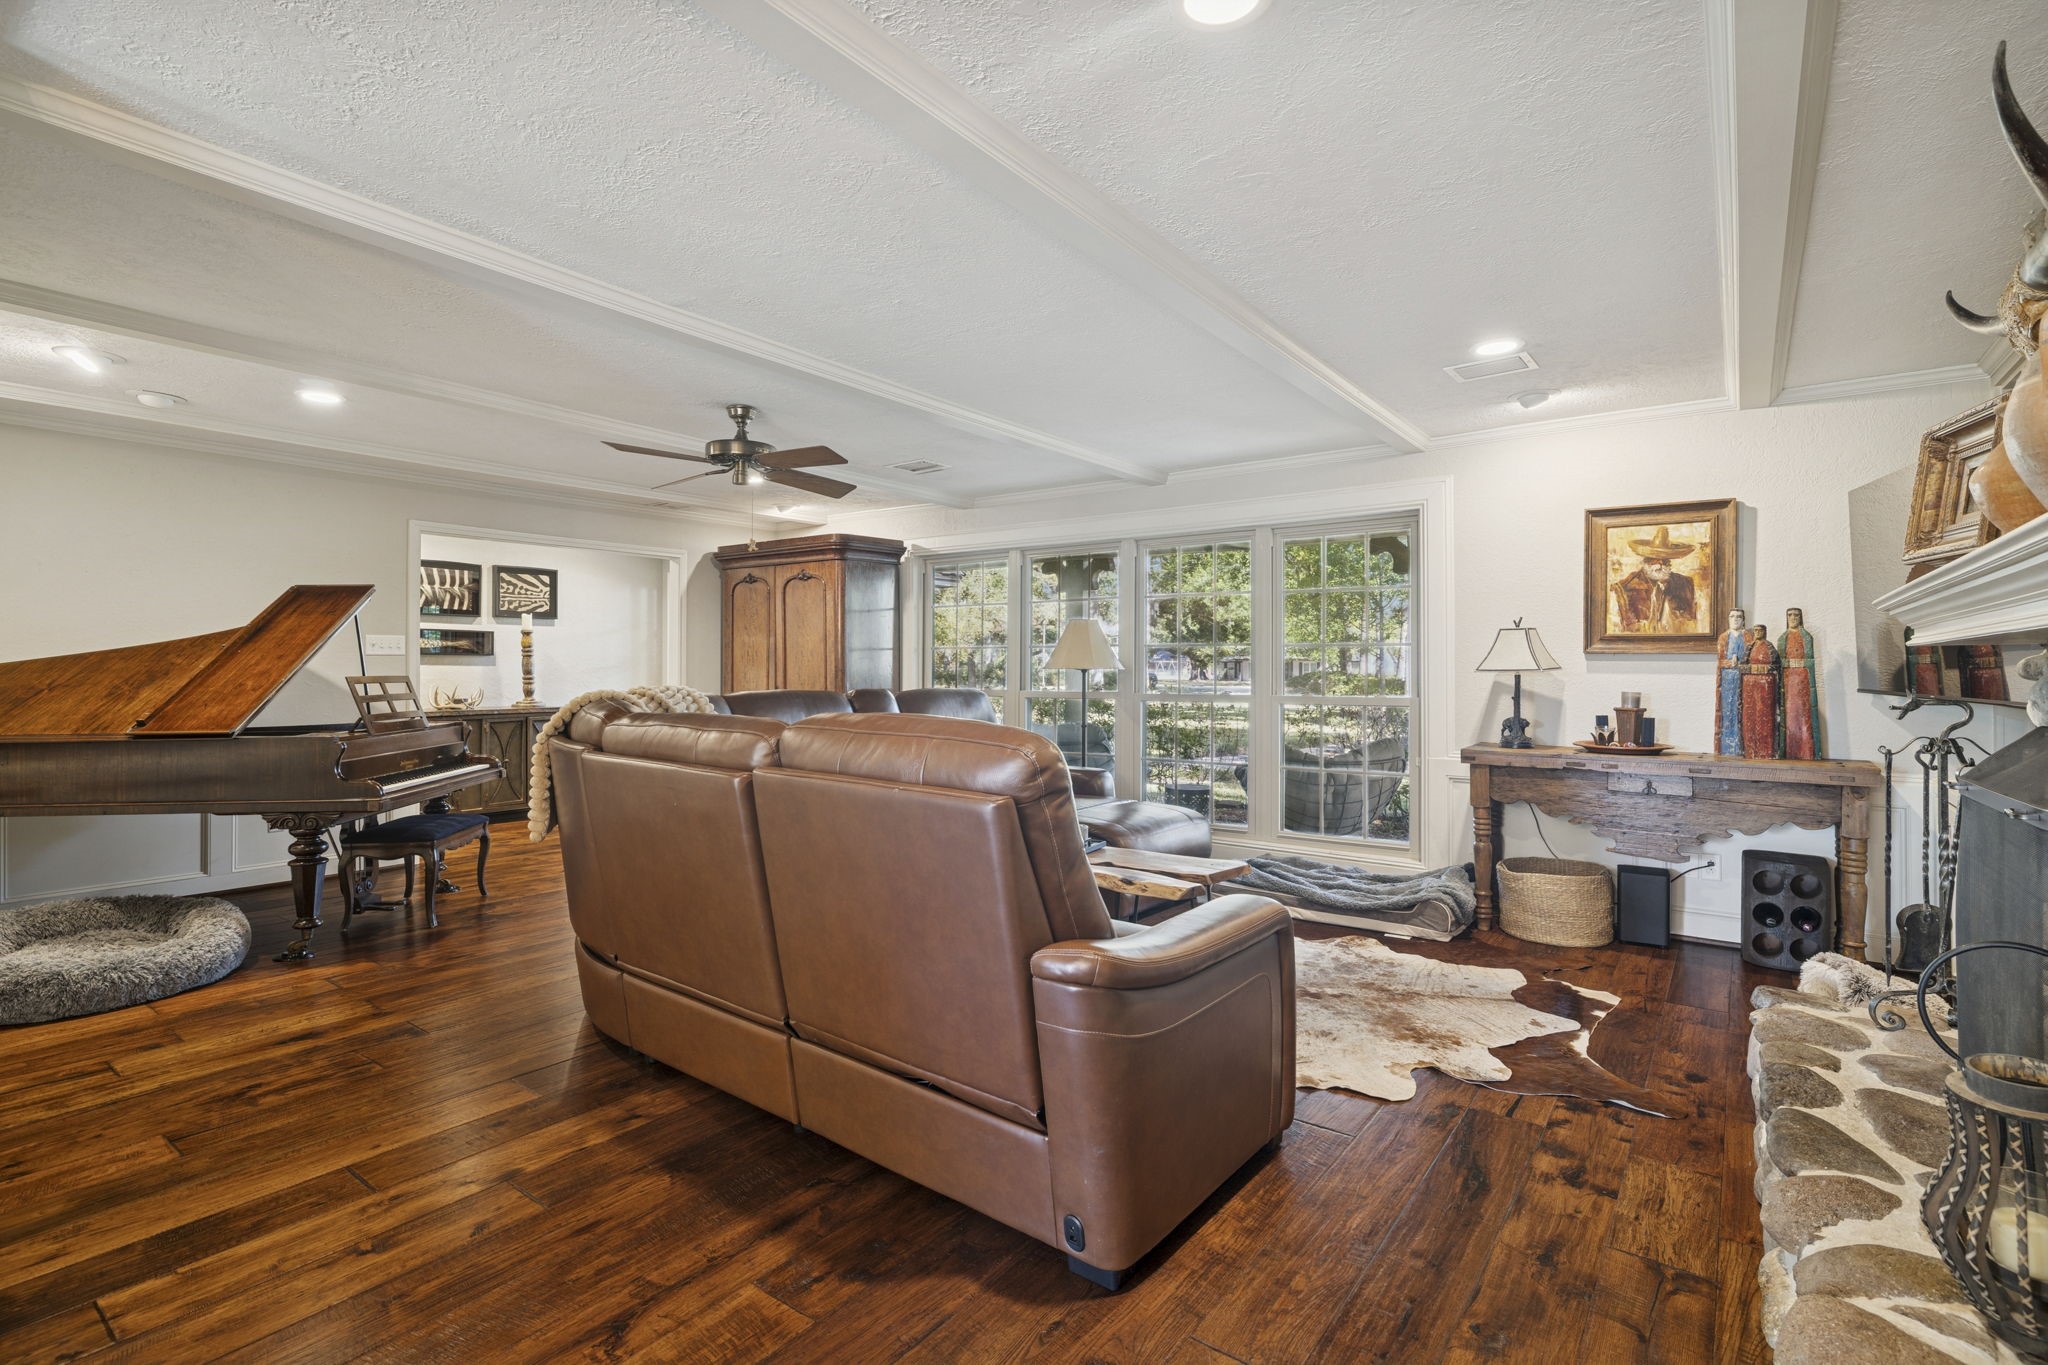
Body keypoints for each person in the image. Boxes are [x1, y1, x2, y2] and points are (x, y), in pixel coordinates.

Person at [1611, 526, 1700, 633]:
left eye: (1665, 560)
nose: (1660, 564)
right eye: (1654, 560)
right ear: (1645, 561)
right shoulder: (1626, 587)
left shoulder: (1684, 584)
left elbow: (1691, 624)